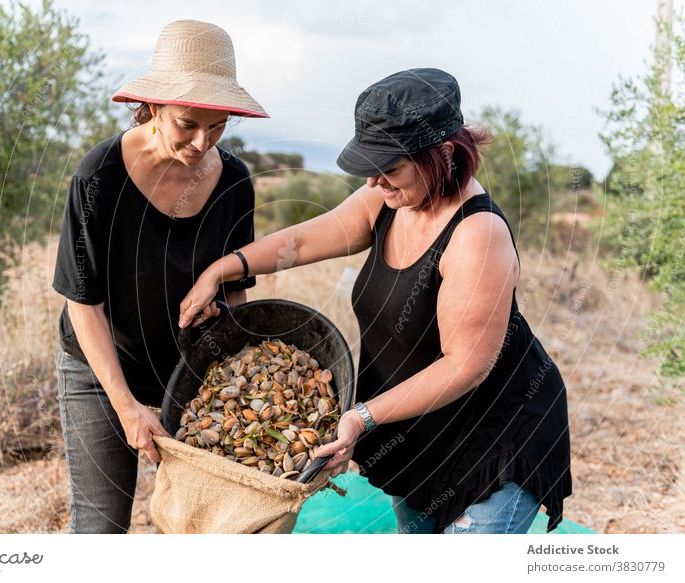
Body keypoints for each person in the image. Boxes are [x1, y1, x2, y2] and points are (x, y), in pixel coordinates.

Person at [179, 68, 572, 534]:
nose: (373, 184)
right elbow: (303, 242)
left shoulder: (477, 236)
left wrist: (362, 417)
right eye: (372, 167)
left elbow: (466, 365)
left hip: (493, 437)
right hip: (422, 431)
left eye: (390, 169)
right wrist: (222, 269)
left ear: (444, 154)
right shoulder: (391, 199)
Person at [52, 20, 267, 533]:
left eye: (217, 127)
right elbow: (85, 303)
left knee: (206, 529)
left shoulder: (235, 182)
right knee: (101, 528)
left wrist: (225, 337)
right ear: (153, 106)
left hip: (190, 374)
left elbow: (236, 291)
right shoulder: (99, 174)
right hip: (102, 371)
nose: (201, 142)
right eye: (187, 124)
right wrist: (127, 408)